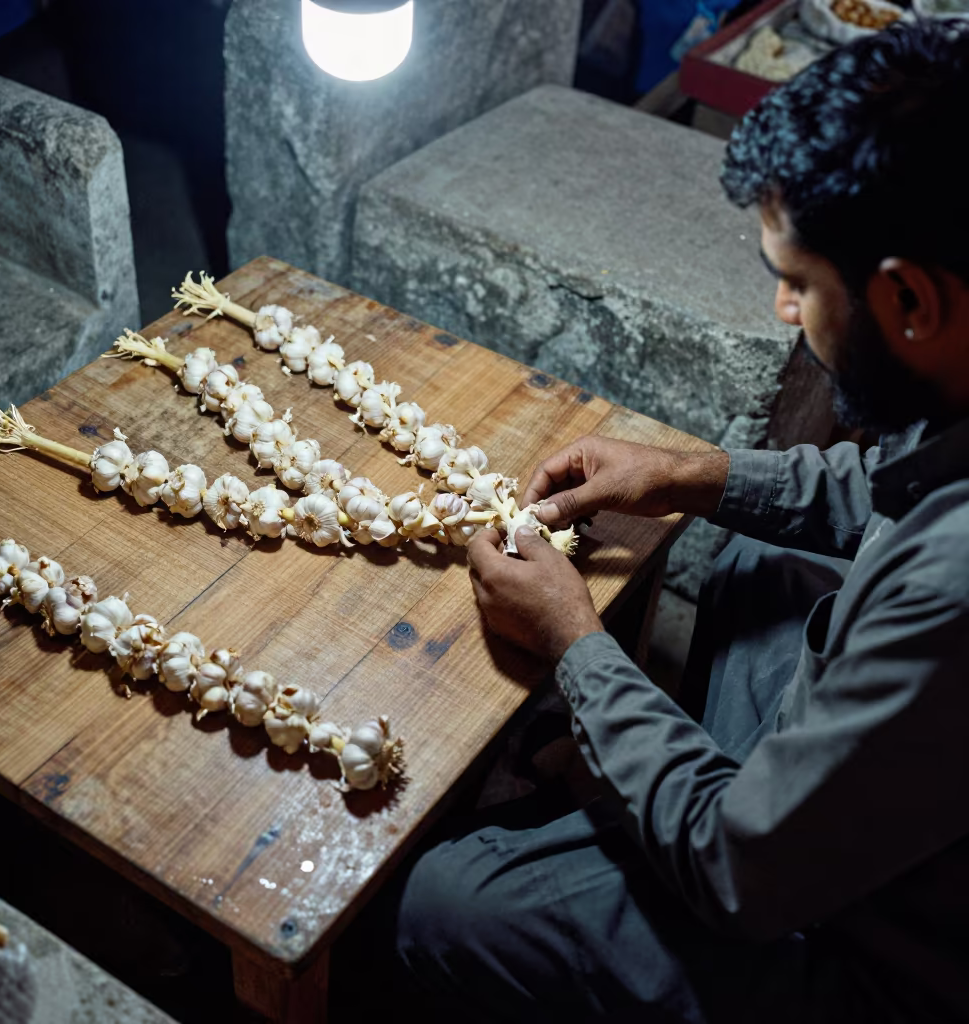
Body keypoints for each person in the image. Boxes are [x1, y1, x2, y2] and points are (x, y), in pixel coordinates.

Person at [392, 18, 969, 1024]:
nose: (787, 312)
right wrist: (683, 474)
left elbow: (744, 872)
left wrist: (572, 638)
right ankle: (663, 783)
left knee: (451, 899)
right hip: (900, 787)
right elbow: (886, 487)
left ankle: (651, 805)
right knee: (751, 555)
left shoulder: (955, 590)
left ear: (909, 298)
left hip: (892, 960)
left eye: (798, 284)